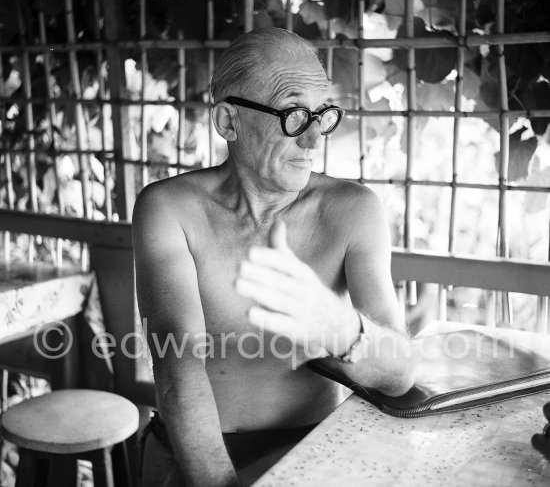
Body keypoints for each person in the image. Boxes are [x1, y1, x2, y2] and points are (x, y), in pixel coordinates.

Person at [133, 27, 415, 487]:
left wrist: (344, 330)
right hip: (190, 456)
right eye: (294, 115)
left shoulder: (353, 211)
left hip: (313, 456)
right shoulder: (169, 208)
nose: (314, 141)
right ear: (228, 122)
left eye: (323, 116)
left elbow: (400, 374)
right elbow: (176, 367)